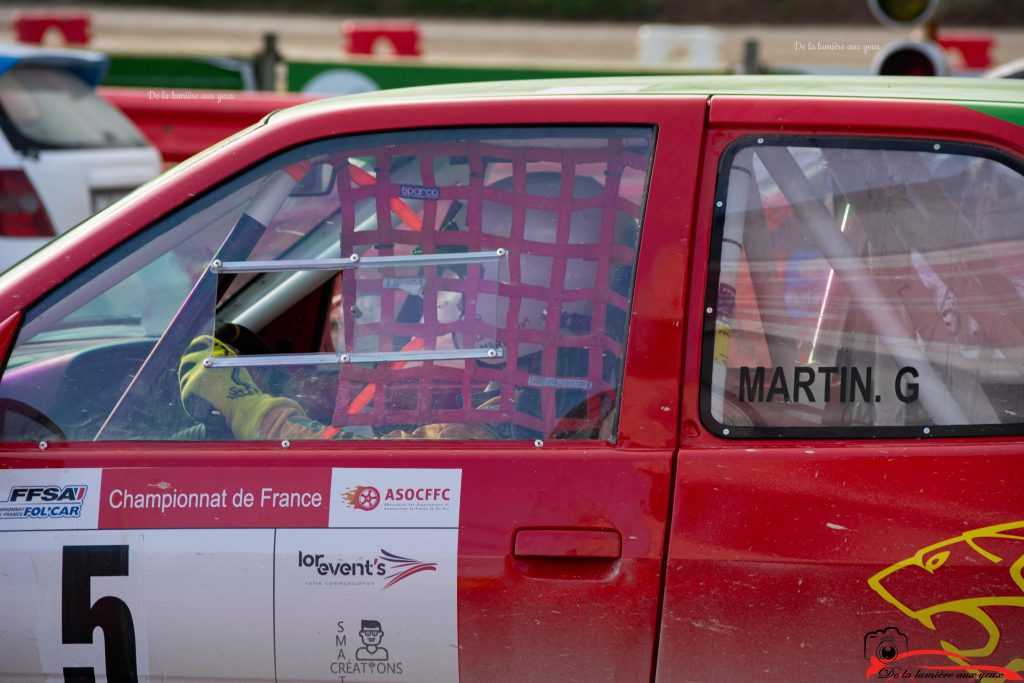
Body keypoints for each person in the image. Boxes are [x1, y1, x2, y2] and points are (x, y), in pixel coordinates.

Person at [179, 172, 636, 441]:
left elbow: (354, 475)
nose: (453, 298)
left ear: (540, 299)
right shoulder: (580, 381)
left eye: (474, 275)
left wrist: (249, 408)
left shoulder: (525, 419)